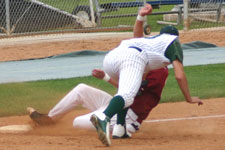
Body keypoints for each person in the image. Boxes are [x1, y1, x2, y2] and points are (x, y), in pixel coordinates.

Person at [90, 4, 203, 146]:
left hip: (112, 57)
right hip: (132, 57)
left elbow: (137, 36)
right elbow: (179, 75)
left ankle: (120, 128)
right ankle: (103, 117)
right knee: (128, 95)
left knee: (125, 91)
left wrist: (141, 16)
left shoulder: (153, 41)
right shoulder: (173, 43)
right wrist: (189, 98)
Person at [27, 67, 168, 137]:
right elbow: (126, 88)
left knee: (77, 122)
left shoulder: (160, 71)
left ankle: (121, 129)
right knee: (81, 89)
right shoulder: (147, 61)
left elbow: (131, 91)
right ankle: (50, 118)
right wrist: (106, 77)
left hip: (128, 117)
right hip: (117, 104)